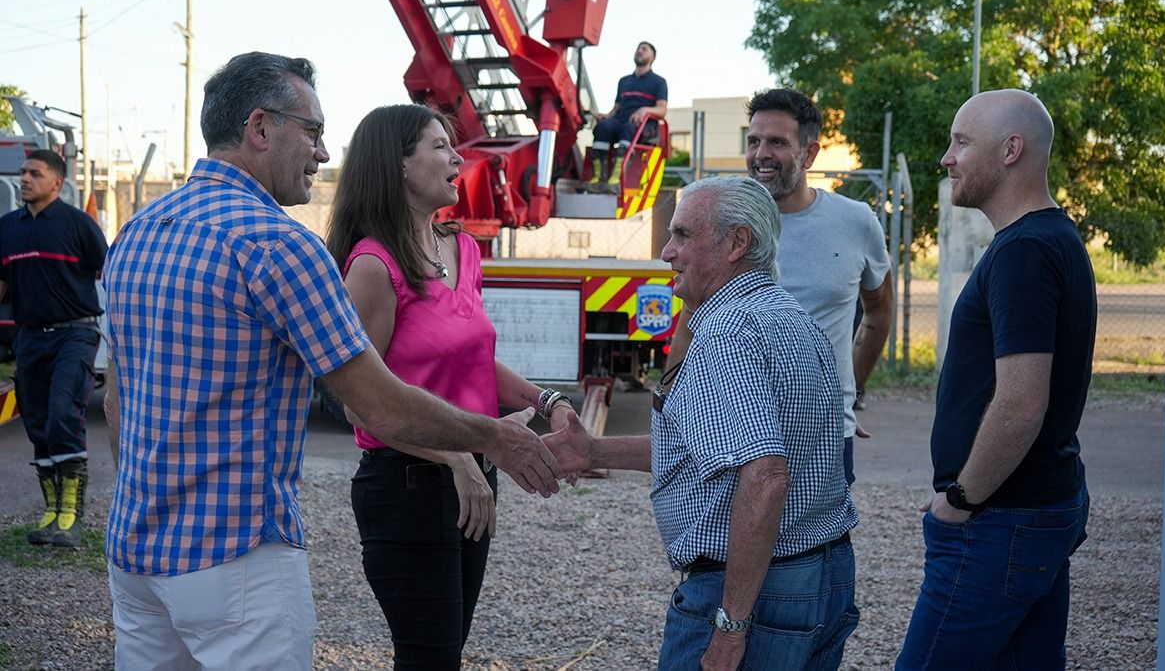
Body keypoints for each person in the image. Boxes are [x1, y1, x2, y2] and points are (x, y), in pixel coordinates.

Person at [102, 52, 562, 670]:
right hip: (237, 556)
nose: (322, 153)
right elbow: (376, 404)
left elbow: (117, 400)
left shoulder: (136, 233)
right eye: (313, 132)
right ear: (260, 128)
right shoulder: (279, 243)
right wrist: (493, 439)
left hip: (137, 551)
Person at [547, 176, 858, 670]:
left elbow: (765, 476)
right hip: (818, 575)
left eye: (683, 235)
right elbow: (713, 449)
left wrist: (731, 629)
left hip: (757, 592)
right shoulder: (791, 316)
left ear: (737, 243)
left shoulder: (727, 333)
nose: (667, 252)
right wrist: (595, 452)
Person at [325, 104, 579, 669]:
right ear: (398, 164)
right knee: (430, 660)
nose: (458, 159)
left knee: (447, 655)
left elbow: (475, 360)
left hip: (474, 481)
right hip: (407, 487)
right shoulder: (373, 266)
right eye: (440, 146)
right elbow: (360, 406)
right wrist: (459, 456)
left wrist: (549, 401)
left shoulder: (462, 249)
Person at [896, 89, 1095, 669]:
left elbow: (1021, 404)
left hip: (999, 520)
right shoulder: (1051, 237)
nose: (947, 158)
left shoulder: (1025, 251)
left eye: (961, 142)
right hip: (1032, 508)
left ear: (1011, 150)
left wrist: (961, 499)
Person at [665, 88, 893, 486]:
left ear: (809, 153)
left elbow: (879, 310)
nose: (761, 154)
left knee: (819, 528)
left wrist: (847, 394)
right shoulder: (721, 222)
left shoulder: (856, 222)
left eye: (777, 142)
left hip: (822, 436)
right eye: (753, 141)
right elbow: (689, 321)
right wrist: (668, 410)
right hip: (729, 431)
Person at [0, 149, 107, 548]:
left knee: (64, 414)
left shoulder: (78, 224)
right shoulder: (7, 228)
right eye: (23, 172)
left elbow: (110, 272)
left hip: (74, 334)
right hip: (29, 337)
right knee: (37, 423)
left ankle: (71, 518)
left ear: (57, 182)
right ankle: (51, 514)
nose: (25, 179)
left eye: (35, 173)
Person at [580, 41, 668, 194]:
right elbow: (616, 108)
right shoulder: (624, 81)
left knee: (628, 128)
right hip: (621, 120)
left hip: (643, 126)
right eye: (638, 48)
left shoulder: (659, 82)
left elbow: (662, 109)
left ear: (652, 58)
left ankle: (615, 181)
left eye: (644, 49)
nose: (639, 51)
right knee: (602, 128)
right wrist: (606, 116)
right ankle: (598, 179)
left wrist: (645, 110)